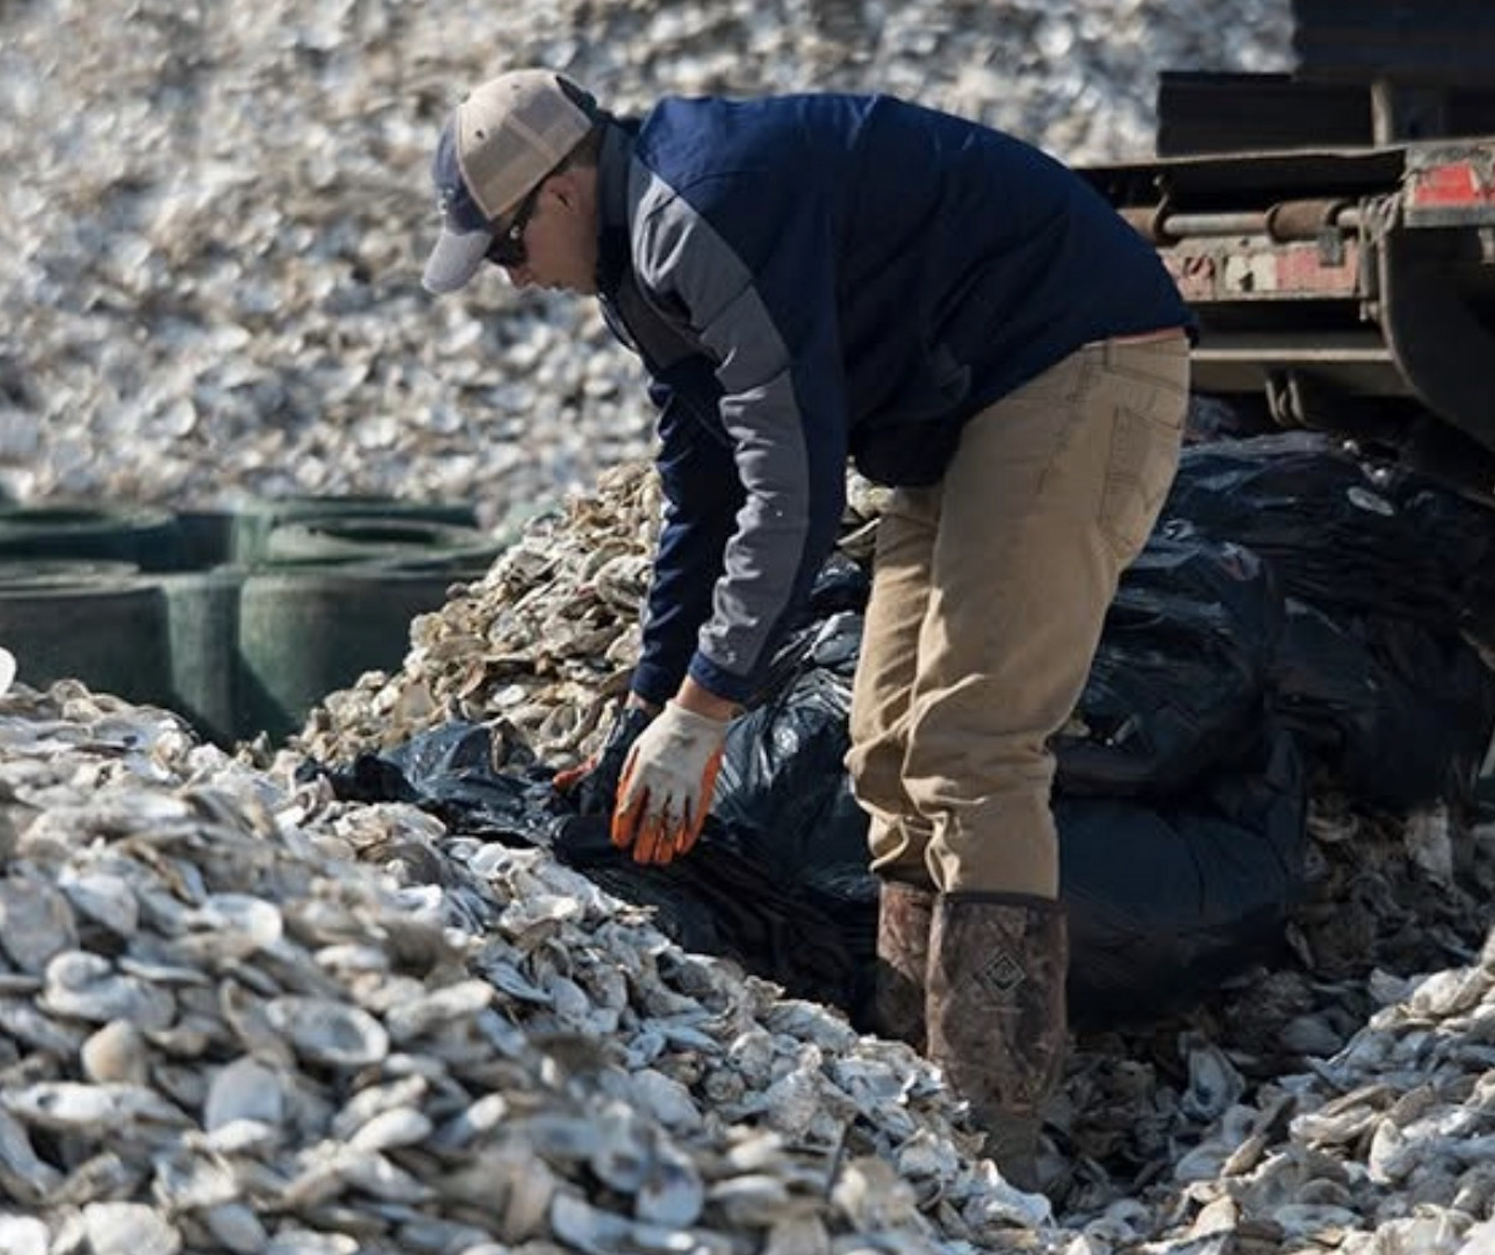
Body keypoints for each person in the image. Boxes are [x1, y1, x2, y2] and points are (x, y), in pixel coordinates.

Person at [421, 68, 1194, 1189]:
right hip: (959, 411)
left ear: (557, 189)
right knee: (882, 750)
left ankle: (999, 1155)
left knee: (971, 747)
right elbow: (700, 487)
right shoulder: (634, 267)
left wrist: (710, 704)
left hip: (1074, 356)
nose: (511, 280)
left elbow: (791, 487)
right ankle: (918, 1108)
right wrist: (649, 704)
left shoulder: (701, 212)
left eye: (503, 249)